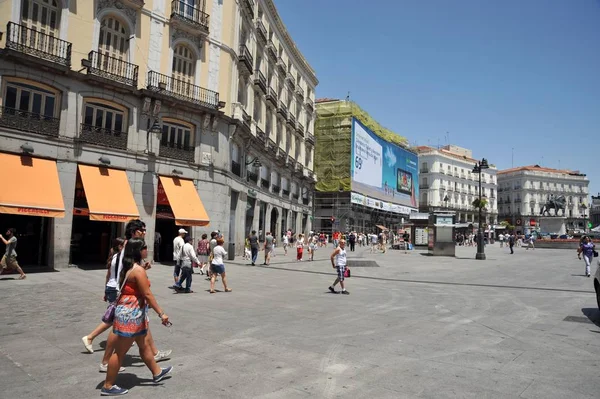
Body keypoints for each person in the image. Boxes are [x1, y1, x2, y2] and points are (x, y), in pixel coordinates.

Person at [90, 220, 171, 373]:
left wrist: (141, 269)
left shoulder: (129, 246)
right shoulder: (129, 246)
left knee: (140, 328)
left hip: (126, 293)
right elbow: (124, 271)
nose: (144, 233)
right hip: (125, 294)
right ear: (134, 232)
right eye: (142, 230)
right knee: (117, 331)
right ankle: (106, 362)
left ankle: (154, 359)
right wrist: (161, 312)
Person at [101, 238, 173, 396]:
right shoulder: (137, 270)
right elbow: (147, 294)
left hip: (131, 313)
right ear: (138, 251)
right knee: (120, 352)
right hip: (131, 315)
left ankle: (157, 371)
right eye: (145, 247)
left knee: (144, 345)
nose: (147, 250)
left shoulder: (131, 267)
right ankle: (108, 386)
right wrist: (162, 313)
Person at [81, 238, 125, 359]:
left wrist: (105, 291)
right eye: (124, 245)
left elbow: (108, 275)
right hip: (116, 289)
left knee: (117, 318)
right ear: (120, 247)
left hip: (110, 288)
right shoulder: (120, 258)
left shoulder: (114, 257)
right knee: (112, 319)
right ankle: (90, 337)